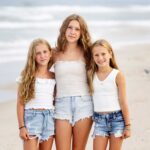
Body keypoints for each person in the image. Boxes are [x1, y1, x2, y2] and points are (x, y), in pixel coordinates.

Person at [52, 14, 93, 150]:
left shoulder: (88, 52)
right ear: (64, 29)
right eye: (70, 27)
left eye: (77, 29)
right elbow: (41, 74)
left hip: (84, 104)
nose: (73, 32)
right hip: (61, 104)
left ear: (82, 33)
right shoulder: (54, 53)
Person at [88, 39, 131, 150]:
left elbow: (123, 101)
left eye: (103, 54)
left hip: (117, 120)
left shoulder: (117, 75)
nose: (100, 58)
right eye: (96, 55)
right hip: (99, 121)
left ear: (110, 54)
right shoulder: (91, 75)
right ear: (93, 57)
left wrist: (128, 126)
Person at [16, 38, 55, 150]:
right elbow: (20, 103)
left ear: (50, 53)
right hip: (32, 117)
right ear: (33, 56)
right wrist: (21, 127)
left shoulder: (53, 76)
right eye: (38, 53)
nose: (42, 56)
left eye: (45, 52)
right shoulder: (27, 76)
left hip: (50, 118)